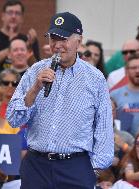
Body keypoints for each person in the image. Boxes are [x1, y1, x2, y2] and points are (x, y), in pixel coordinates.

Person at [6, 12, 114, 188]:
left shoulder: (95, 78)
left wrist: (93, 169)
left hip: (75, 166)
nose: (57, 45)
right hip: (36, 165)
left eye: (63, 39)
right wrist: (35, 89)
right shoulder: (35, 71)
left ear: (79, 41)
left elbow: (103, 127)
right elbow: (13, 119)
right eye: (53, 39)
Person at [0, 0, 40, 68]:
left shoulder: (29, 40)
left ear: (22, 18)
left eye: (17, 13)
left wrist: (28, 47)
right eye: (10, 13)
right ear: (3, 16)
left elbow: (37, 68)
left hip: (22, 78)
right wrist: (11, 46)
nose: (13, 16)